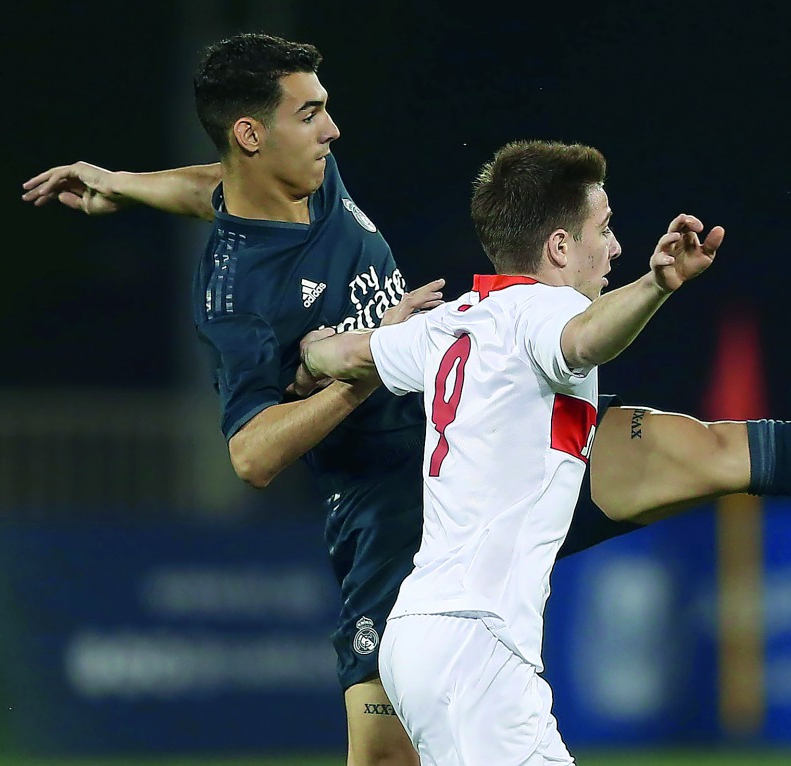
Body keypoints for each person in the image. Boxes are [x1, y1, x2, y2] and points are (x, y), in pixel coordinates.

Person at [20, 31, 791, 766]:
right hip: (395, 512)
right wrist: (365, 369)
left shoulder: (300, 181)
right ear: (255, 131)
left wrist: (123, 184)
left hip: (484, 430)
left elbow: (221, 189)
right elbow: (252, 456)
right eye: (311, 114)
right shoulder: (241, 299)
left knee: (711, 450)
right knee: (386, 755)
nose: (334, 129)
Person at [298, 139, 720, 764]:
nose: (615, 247)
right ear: (559, 247)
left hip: (417, 632)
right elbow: (584, 340)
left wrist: (310, 353)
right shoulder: (545, 309)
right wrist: (656, 286)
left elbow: (347, 353)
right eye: (604, 229)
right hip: (476, 645)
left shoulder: (456, 321)